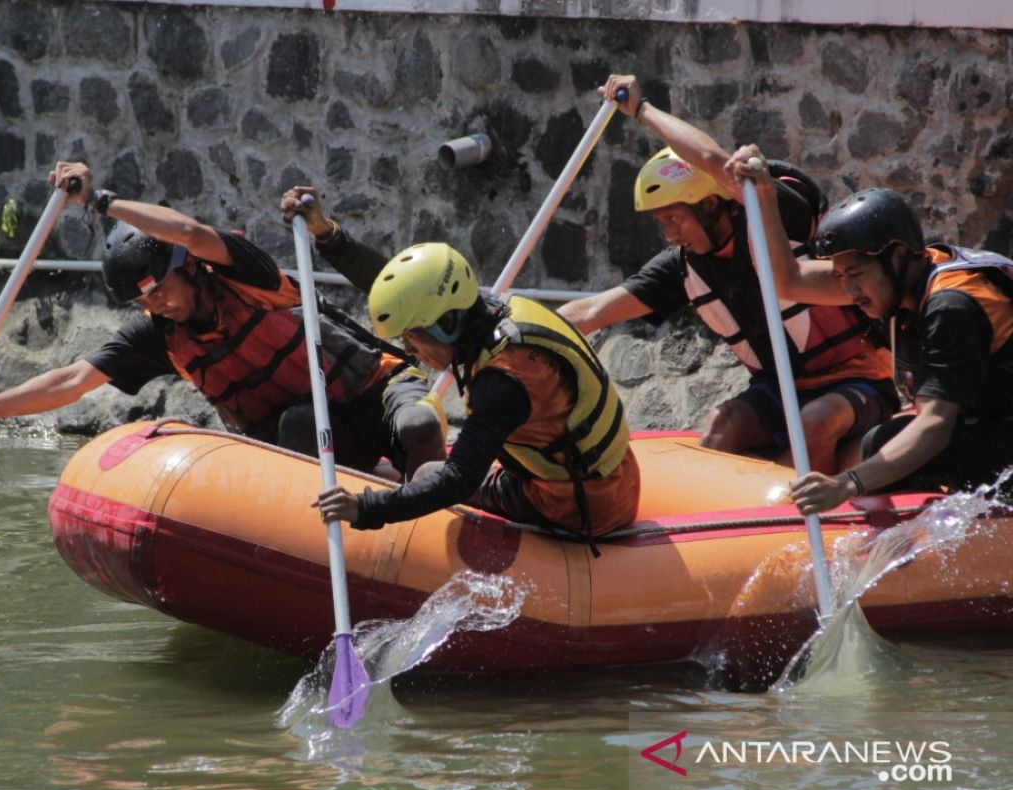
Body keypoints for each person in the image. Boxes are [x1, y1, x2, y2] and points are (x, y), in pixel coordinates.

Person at [0, 163, 446, 479]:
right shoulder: (161, 337)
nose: (155, 307)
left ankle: (443, 507)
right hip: (317, 437)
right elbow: (72, 380)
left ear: (188, 269)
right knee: (296, 424)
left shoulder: (245, 274)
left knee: (420, 421)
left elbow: (192, 232)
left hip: (374, 388)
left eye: (158, 292)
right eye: (141, 303)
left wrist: (98, 201)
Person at [557, 74, 896, 474]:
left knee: (814, 423)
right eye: (660, 222)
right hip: (778, 391)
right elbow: (592, 311)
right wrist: (509, 332)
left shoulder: (770, 214)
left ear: (711, 205)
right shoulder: (682, 266)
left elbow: (716, 163)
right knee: (722, 425)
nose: (668, 233)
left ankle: (798, 516)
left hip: (859, 382)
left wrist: (643, 110)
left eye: (674, 218)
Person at [725, 148, 1013, 512]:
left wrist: (848, 484)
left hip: (1002, 438)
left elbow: (936, 425)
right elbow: (789, 281)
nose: (849, 291)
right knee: (877, 442)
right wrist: (765, 197)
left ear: (895, 256)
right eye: (841, 276)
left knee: (885, 446)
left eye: (856, 275)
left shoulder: (951, 307)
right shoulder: (898, 278)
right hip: (987, 424)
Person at [311, 241, 640, 548]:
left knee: (429, 473)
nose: (408, 349)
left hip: (578, 507)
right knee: (441, 466)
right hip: (614, 477)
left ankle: (410, 551)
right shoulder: (497, 313)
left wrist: (366, 509)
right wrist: (333, 240)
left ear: (445, 323)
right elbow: (409, 296)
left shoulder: (503, 381)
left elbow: (458, 480)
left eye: (410, 336)